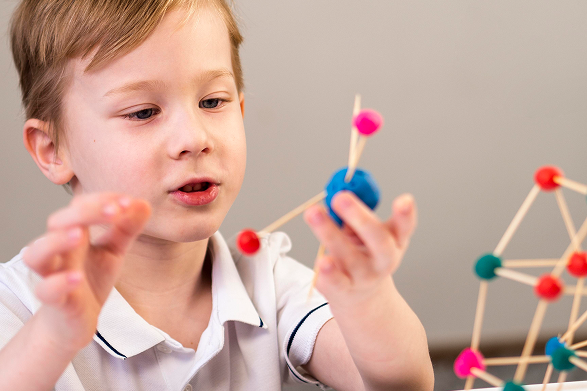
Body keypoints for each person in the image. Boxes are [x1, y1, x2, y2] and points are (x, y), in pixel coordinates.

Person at [0, 1, 434, 390]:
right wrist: (51, 339)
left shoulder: (267, 281)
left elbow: (398, 383)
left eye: (213, 102)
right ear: (52, 150)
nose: (195, 137)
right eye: (144, 112)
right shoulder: (15, 305)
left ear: (240, 110)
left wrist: (368, 300)